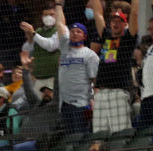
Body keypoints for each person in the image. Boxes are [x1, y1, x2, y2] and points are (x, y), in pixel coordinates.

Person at [23, 6, 99, 135]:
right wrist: (58, 5)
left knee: (80, 135)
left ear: (85, 36)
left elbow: (94, 79)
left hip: (81, 103)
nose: (75, 33)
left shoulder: (90, 55)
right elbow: (60, 25)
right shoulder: (65, 49)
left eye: (78, 32)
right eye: (73, 31)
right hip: (64, 103)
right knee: (69, 136)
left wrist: (92, 100)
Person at [90, 0, 139, 133]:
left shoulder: (129, 38)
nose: (115, 23)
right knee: (99, 134)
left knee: (120, 133)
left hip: (119, 91)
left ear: (125, 23)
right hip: (101, 93)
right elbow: (97, 14)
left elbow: (134, 13)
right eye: (113, 20)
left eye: (119, 21)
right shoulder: (106, 37)